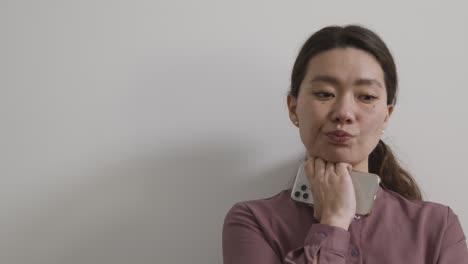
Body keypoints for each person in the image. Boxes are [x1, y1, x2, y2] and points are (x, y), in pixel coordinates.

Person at [222, 25, 468, 264]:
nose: (344, 112)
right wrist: (333, 222)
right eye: (324, 94)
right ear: (293, 108)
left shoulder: (438, 227)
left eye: (366, 97)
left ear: (386, 116)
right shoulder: (253, 222)